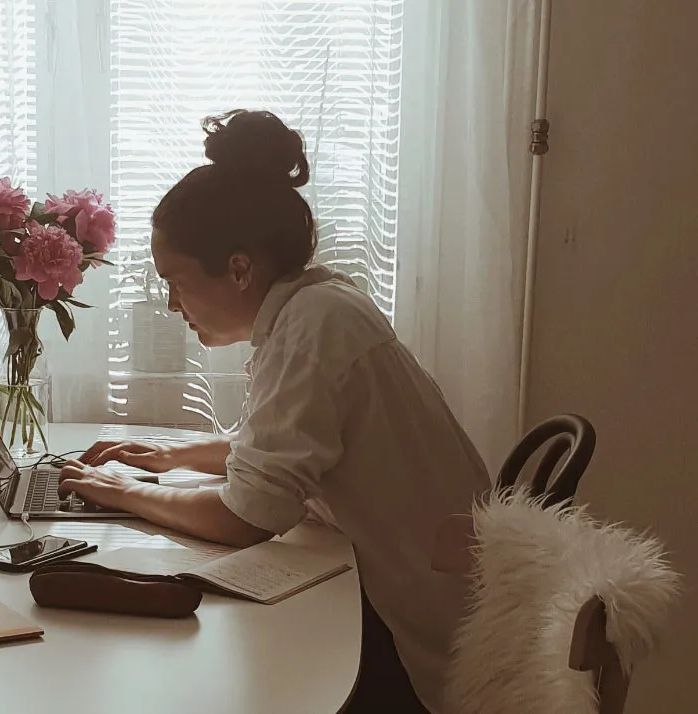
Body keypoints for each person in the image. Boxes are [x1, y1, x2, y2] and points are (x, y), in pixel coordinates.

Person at [57, 109, 490, 714]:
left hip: (414, 645)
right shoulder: (318, 304)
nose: (172, 304)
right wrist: (167, 457)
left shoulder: (314, 327)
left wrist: (124, 493)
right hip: (404, 594)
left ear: (239, 269)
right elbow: (280, 445)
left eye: (174, 283)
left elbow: (248, 514)